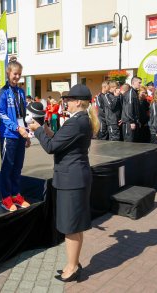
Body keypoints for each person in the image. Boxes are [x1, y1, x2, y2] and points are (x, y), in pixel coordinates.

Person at [29, 84, 99, 282]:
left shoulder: (76, 122)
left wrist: (37, 131)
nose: (65, 102)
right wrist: (46, 130)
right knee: (74, 225)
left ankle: (72, 267)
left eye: (68, 100)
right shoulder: (80, 120)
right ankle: (73, 262)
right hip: (75, 178)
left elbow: (51, 147)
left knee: (71, 226)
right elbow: (60, 141)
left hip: (72, 180)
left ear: (78, 102)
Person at [0, 60, 31, 212]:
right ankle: (5, 197)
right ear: (8, 73)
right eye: (14, 74)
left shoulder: (21, 92)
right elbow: (2, 114)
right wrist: (17, 128)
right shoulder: (3, 92)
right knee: (7, 167)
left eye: (19, 74)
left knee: (18, 166)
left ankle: (15, 194)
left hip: (21, 135)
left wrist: (27, 134)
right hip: (8, 135)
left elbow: (23, 115)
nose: (17, 77)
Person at [121, 77, 141, 142]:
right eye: (139, 83)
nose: (140, 84)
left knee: (134, 143)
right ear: (133, 83)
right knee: (129, 142)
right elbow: (128, 108)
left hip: (134, 122)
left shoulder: (135, 93)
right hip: (129, 123)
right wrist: (131, 122)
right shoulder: (130, 93)